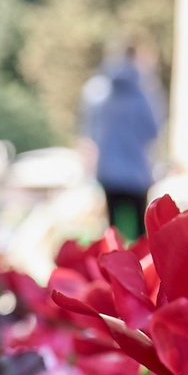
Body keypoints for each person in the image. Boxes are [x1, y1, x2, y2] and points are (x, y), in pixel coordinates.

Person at [78, 37, 166, 240]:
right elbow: (153, 131)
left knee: (112, 234)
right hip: (137, 173)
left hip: (109, 172)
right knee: (142, 236)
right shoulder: (144, 93)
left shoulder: (98, 92)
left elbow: (90, 131)